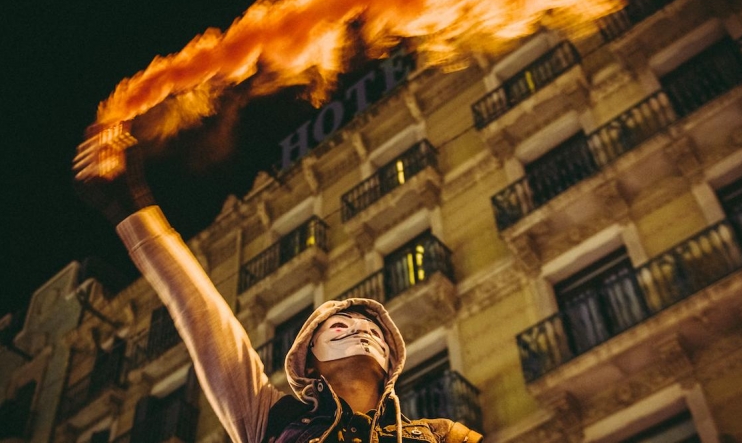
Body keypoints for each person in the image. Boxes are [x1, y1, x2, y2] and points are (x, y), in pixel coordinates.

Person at [73, 125, 483, 443]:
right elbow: (200, 310)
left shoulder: (443, 435)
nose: (361, 329)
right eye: (340, 327)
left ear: (391, 358)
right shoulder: (269, 420)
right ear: (309, 361)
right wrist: (128, 201)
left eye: (374, 330)